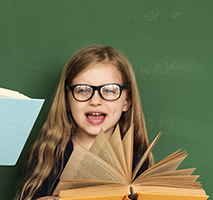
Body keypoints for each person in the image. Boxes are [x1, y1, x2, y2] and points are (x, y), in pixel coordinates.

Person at [16, 45, 152, 200]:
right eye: (82, 90)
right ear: (67, 100)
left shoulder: (136, 166)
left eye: (109, 90)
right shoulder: (49, 155)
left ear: (127, 102)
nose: (95, 101)